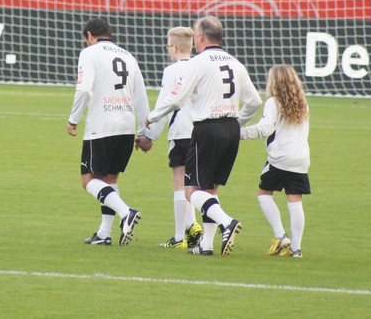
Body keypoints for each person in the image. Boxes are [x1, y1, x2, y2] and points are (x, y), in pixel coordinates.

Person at [145, 16, 262, 256]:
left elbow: (177, 98)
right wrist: (236, 122)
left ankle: (227, 222)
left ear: (200, 36)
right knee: (211, 190)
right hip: (231, 129)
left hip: (207, 129)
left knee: (192, 191)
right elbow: (254, 101)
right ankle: (206, 244)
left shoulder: (198, 62)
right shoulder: (235, 63)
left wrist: (152, 117)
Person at [67, 17, 150, 246]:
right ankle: (104, 233)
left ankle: (126, 212)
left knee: (89, 180)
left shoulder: (89, 53)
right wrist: (145, 132)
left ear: (89, 35)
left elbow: (83, 89)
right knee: (110, 179)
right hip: (126, 125)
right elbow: (141, 96)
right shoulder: (128, 56)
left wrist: (73, 119)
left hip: (102, 125)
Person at [137, 27, 203, 250]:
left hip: (180, 132)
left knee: (179, 183)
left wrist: (148, 136)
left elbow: (164, 106)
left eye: (168, 46)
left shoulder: (171, 71)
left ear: (174, 47)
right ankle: (192, 225)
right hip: (200, 131)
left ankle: (178, 237)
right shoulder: (200, 66)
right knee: (193, 183)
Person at [240, 65, 310, 258]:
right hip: (301, 159)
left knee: (264, 194)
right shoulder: (303, 103)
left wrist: (238, 133)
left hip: (279, 158)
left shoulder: (273, 102)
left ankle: (280, 236)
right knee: (295, 201)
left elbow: (264, 129)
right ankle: (296, 249)